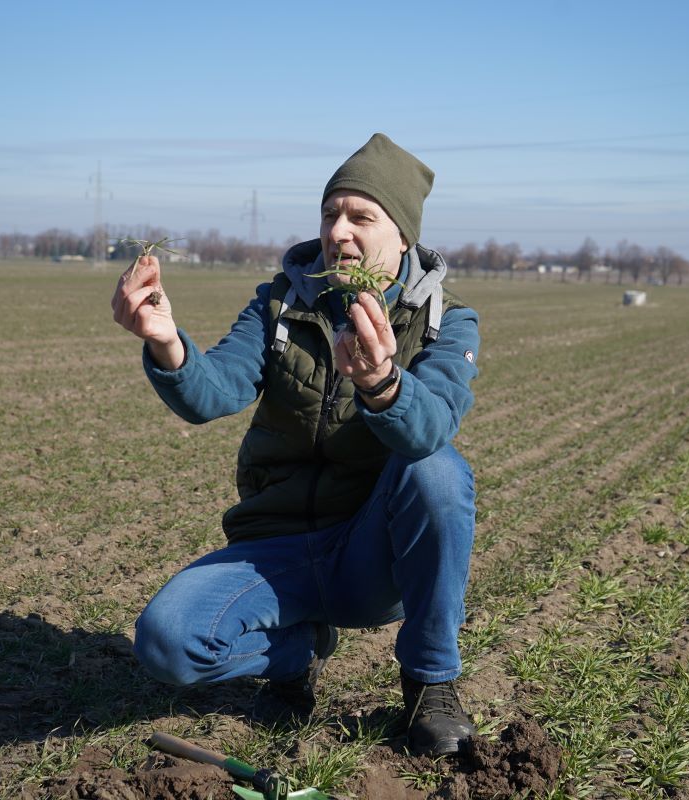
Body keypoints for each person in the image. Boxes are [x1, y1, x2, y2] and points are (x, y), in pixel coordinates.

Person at [110, 133, 480, 757]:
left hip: (370, 553)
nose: (339, 232)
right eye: (330, 213)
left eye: (361, 217)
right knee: (167, 643)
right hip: (275, 546)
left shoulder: (444, 320)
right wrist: (166, 342)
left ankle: (430, 682)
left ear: (402, 238)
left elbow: (430, 429)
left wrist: (382, 384)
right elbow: (214, 392)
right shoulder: (279, 302)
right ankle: (298, 649)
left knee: (437, 472)